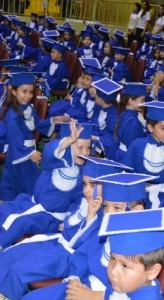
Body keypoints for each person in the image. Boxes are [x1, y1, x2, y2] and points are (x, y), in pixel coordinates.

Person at [0, 156, 130, 300]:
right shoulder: (82, 200)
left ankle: (6, 295)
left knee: (19, 270)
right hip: (57, 242)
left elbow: (80, 246)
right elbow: (65, 221)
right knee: (9, 256)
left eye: (93, 185)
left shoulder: (103, 215)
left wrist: (90, 218)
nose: (87, 190)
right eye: (85, 184)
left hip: (67, 256)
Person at [21, 173, 157, 300]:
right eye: (105, 206)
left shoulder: (144, 244)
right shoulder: (105, 233)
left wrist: (96, 296)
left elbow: (142, 290)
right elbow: (83, 255)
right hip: (83, 283)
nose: (108, 214)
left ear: (137, 210)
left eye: (117, 208)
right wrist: (75, 278)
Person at [0, 120, 91, 249]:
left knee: (20, 223)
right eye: (80, 147)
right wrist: (69, 140)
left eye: (88, 147)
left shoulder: (82, 175)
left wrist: (68, 219)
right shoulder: (53, 164)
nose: (86, 153)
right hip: (32, 203)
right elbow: (50, 150)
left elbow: (77, 200)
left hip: (51, 218)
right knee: (5, 210)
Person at [0, 73, 60, 201]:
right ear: (13, 91)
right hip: (20, 157)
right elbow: (15, 140)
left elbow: (36, 124)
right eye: (24, 91)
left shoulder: (28, 108)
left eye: (31, 92)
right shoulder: (13, 115)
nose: (28, 96)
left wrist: (53, 120)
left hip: (26, 154)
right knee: (26, 186)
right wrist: (30, 153)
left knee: (17, 187)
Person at [99, 208, 164, 299]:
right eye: (112, 258)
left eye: (124, 265)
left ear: (152, 271)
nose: (112, 271)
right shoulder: (124, 284)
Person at [123, 101, 164, 208]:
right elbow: (126, 173)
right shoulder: (137, 145)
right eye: (163, 128)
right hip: (137, 198)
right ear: (150, 128)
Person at [91, 78, 123, 160]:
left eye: (96, 95)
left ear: (101, 98)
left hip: (108, 148)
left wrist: (96, 138)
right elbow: (94, 124)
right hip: (97, 138)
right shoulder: (101, 109)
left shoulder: (114, 116)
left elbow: (113, 138)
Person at [115, 83, 147, 162]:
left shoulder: (125, 113)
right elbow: (133, 147)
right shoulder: (133, 123)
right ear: (130, 100)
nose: (144, 102)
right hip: (128, 158)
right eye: (142, 100)